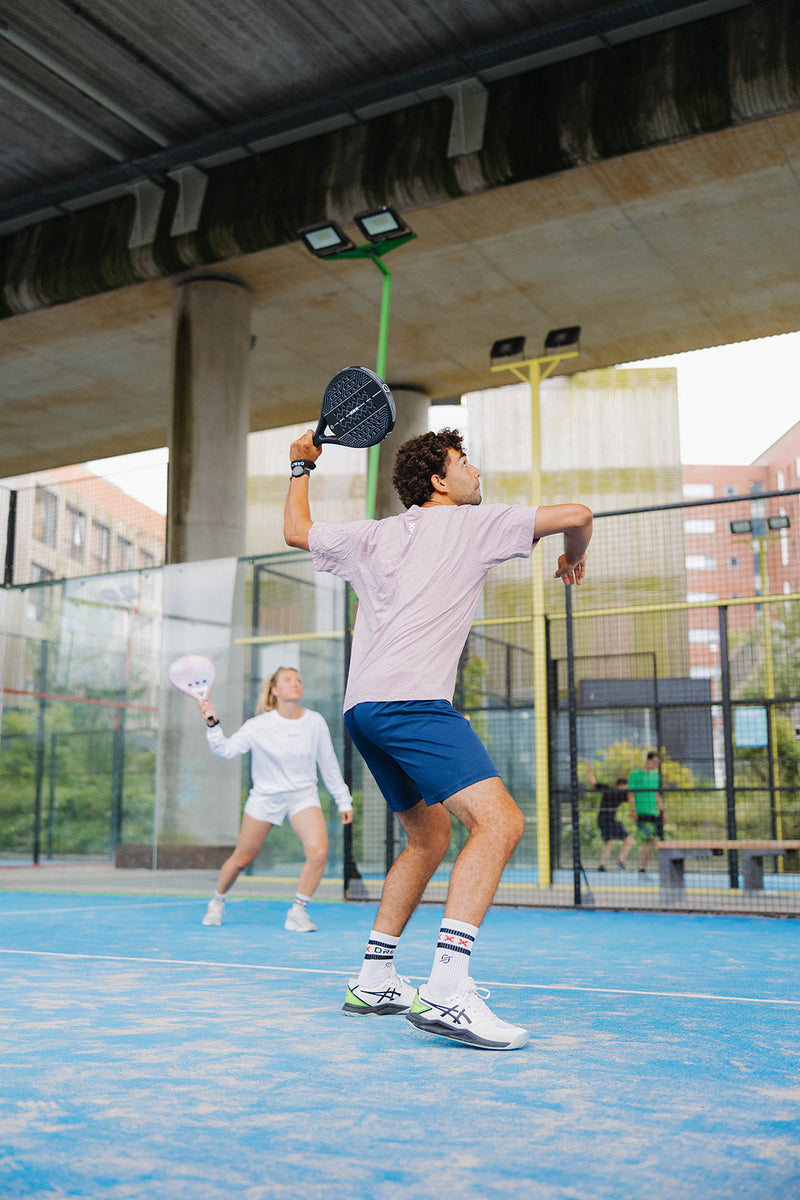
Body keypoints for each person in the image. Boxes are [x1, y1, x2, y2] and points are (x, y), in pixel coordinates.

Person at [284, 426, 592, 1050]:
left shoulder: (371, 535)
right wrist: (572, 555)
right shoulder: (475, 524)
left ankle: (374, 978)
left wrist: (299, 467)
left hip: (362, 707)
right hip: (412, 702)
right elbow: (580, 515)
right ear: (438, 481)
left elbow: (295, 532)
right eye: (464, 462)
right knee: (501, 824)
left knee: (428, 836)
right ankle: (449, 989)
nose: (476, 472)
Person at [197, 666, 353, 931]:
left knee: (318, 853)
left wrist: (344, 800)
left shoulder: (315, 721)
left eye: (299, 680)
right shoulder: (258, 726)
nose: (296, 684)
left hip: (302, 796)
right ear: (275, 690)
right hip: (265, 798)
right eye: (288, 680)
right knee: (242, 859)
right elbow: (225, 750)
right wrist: (212, 722)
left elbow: (328, 765)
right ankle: (217, 901)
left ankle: (297, 912)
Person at [586, 763, 633, 871]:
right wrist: (589, 771)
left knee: (621, 840)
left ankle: (610, 863)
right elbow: (593, 783)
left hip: (609, 820)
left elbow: (632, 799)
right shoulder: (611, 790)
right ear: (621, 785)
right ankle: (607, 864)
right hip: (605, 820)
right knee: (613, 841)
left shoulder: (622, 794)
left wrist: (589, 772)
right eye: (626, 786)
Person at [627, 750, 664, 873]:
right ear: (648, 760)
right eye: (654, 761)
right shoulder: (635, 774)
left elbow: (657, 794)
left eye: (657, 763)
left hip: (655, 813)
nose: (655, 765)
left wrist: (663, 811)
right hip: (642, 812)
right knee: (649, 839)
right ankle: (642, 866)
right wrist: (633, 811)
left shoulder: (656, 776)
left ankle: (644, 866)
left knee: (654, 840)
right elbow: (630, 794)